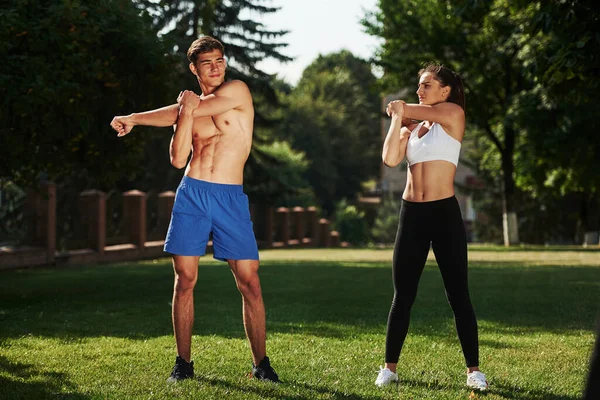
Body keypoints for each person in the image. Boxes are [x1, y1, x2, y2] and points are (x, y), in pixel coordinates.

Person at [109, 36, 280, 383]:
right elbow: (176, 159)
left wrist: (136, 118)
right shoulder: (188, 109)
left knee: (250, 282)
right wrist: (184, 113)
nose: (216, 67)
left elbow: (187, 109)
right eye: (207, 63)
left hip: (230, 197)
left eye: (220, 60)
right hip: (193, 193)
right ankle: (183, 363)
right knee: (184, 279)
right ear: (194, 69)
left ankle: (261, 364)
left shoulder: (238, 91)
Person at [375, 63, 487, 390]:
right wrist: (399, 121)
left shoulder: (453, 115)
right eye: (418, 85)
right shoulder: (413, 128)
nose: (419, 90)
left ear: (445, 90)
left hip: (444, 214)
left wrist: (402, 109)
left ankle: (474, 372)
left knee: (458, 295)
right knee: (403, 295)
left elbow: (408, 107)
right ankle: (389, 368)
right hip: (412, 214)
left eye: (426, 85)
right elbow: (389, 159)